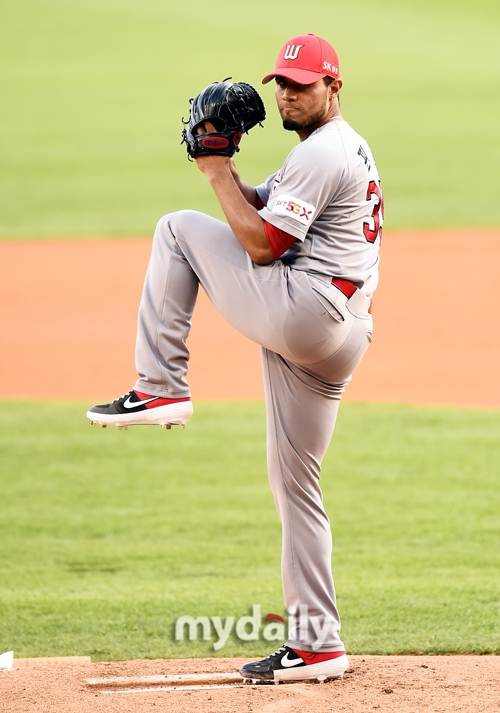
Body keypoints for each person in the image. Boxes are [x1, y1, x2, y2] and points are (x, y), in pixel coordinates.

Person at [87, 33, 383, 683]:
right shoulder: (334, 148)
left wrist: (212, 168)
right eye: (282, 81)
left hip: (305, 314)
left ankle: (160, 383)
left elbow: (263, 246)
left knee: (177, 229)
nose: (287, 92)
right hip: (340, 335)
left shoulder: (322, 151)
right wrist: (231, 168)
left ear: (334, 87)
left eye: (302, 84)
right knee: (296, 484)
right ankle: (318, 641)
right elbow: (264, 211)